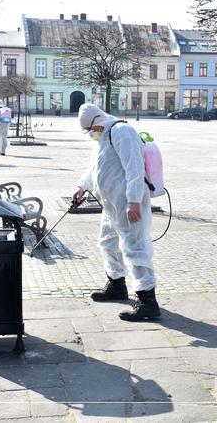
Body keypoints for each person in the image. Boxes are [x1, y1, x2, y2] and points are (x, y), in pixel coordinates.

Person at [73, 103, 160, 321]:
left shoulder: (121, 131)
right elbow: (95, 166)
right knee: (108, 242)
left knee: (135, 247)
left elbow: (135, 168)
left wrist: (133, 201)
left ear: (97, 120)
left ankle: (147, 300)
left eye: (89, 129)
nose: (89, 134)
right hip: (111, 204)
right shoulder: (102, 137)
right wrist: (82, 186)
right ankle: (116, 284)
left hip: (128, 203)